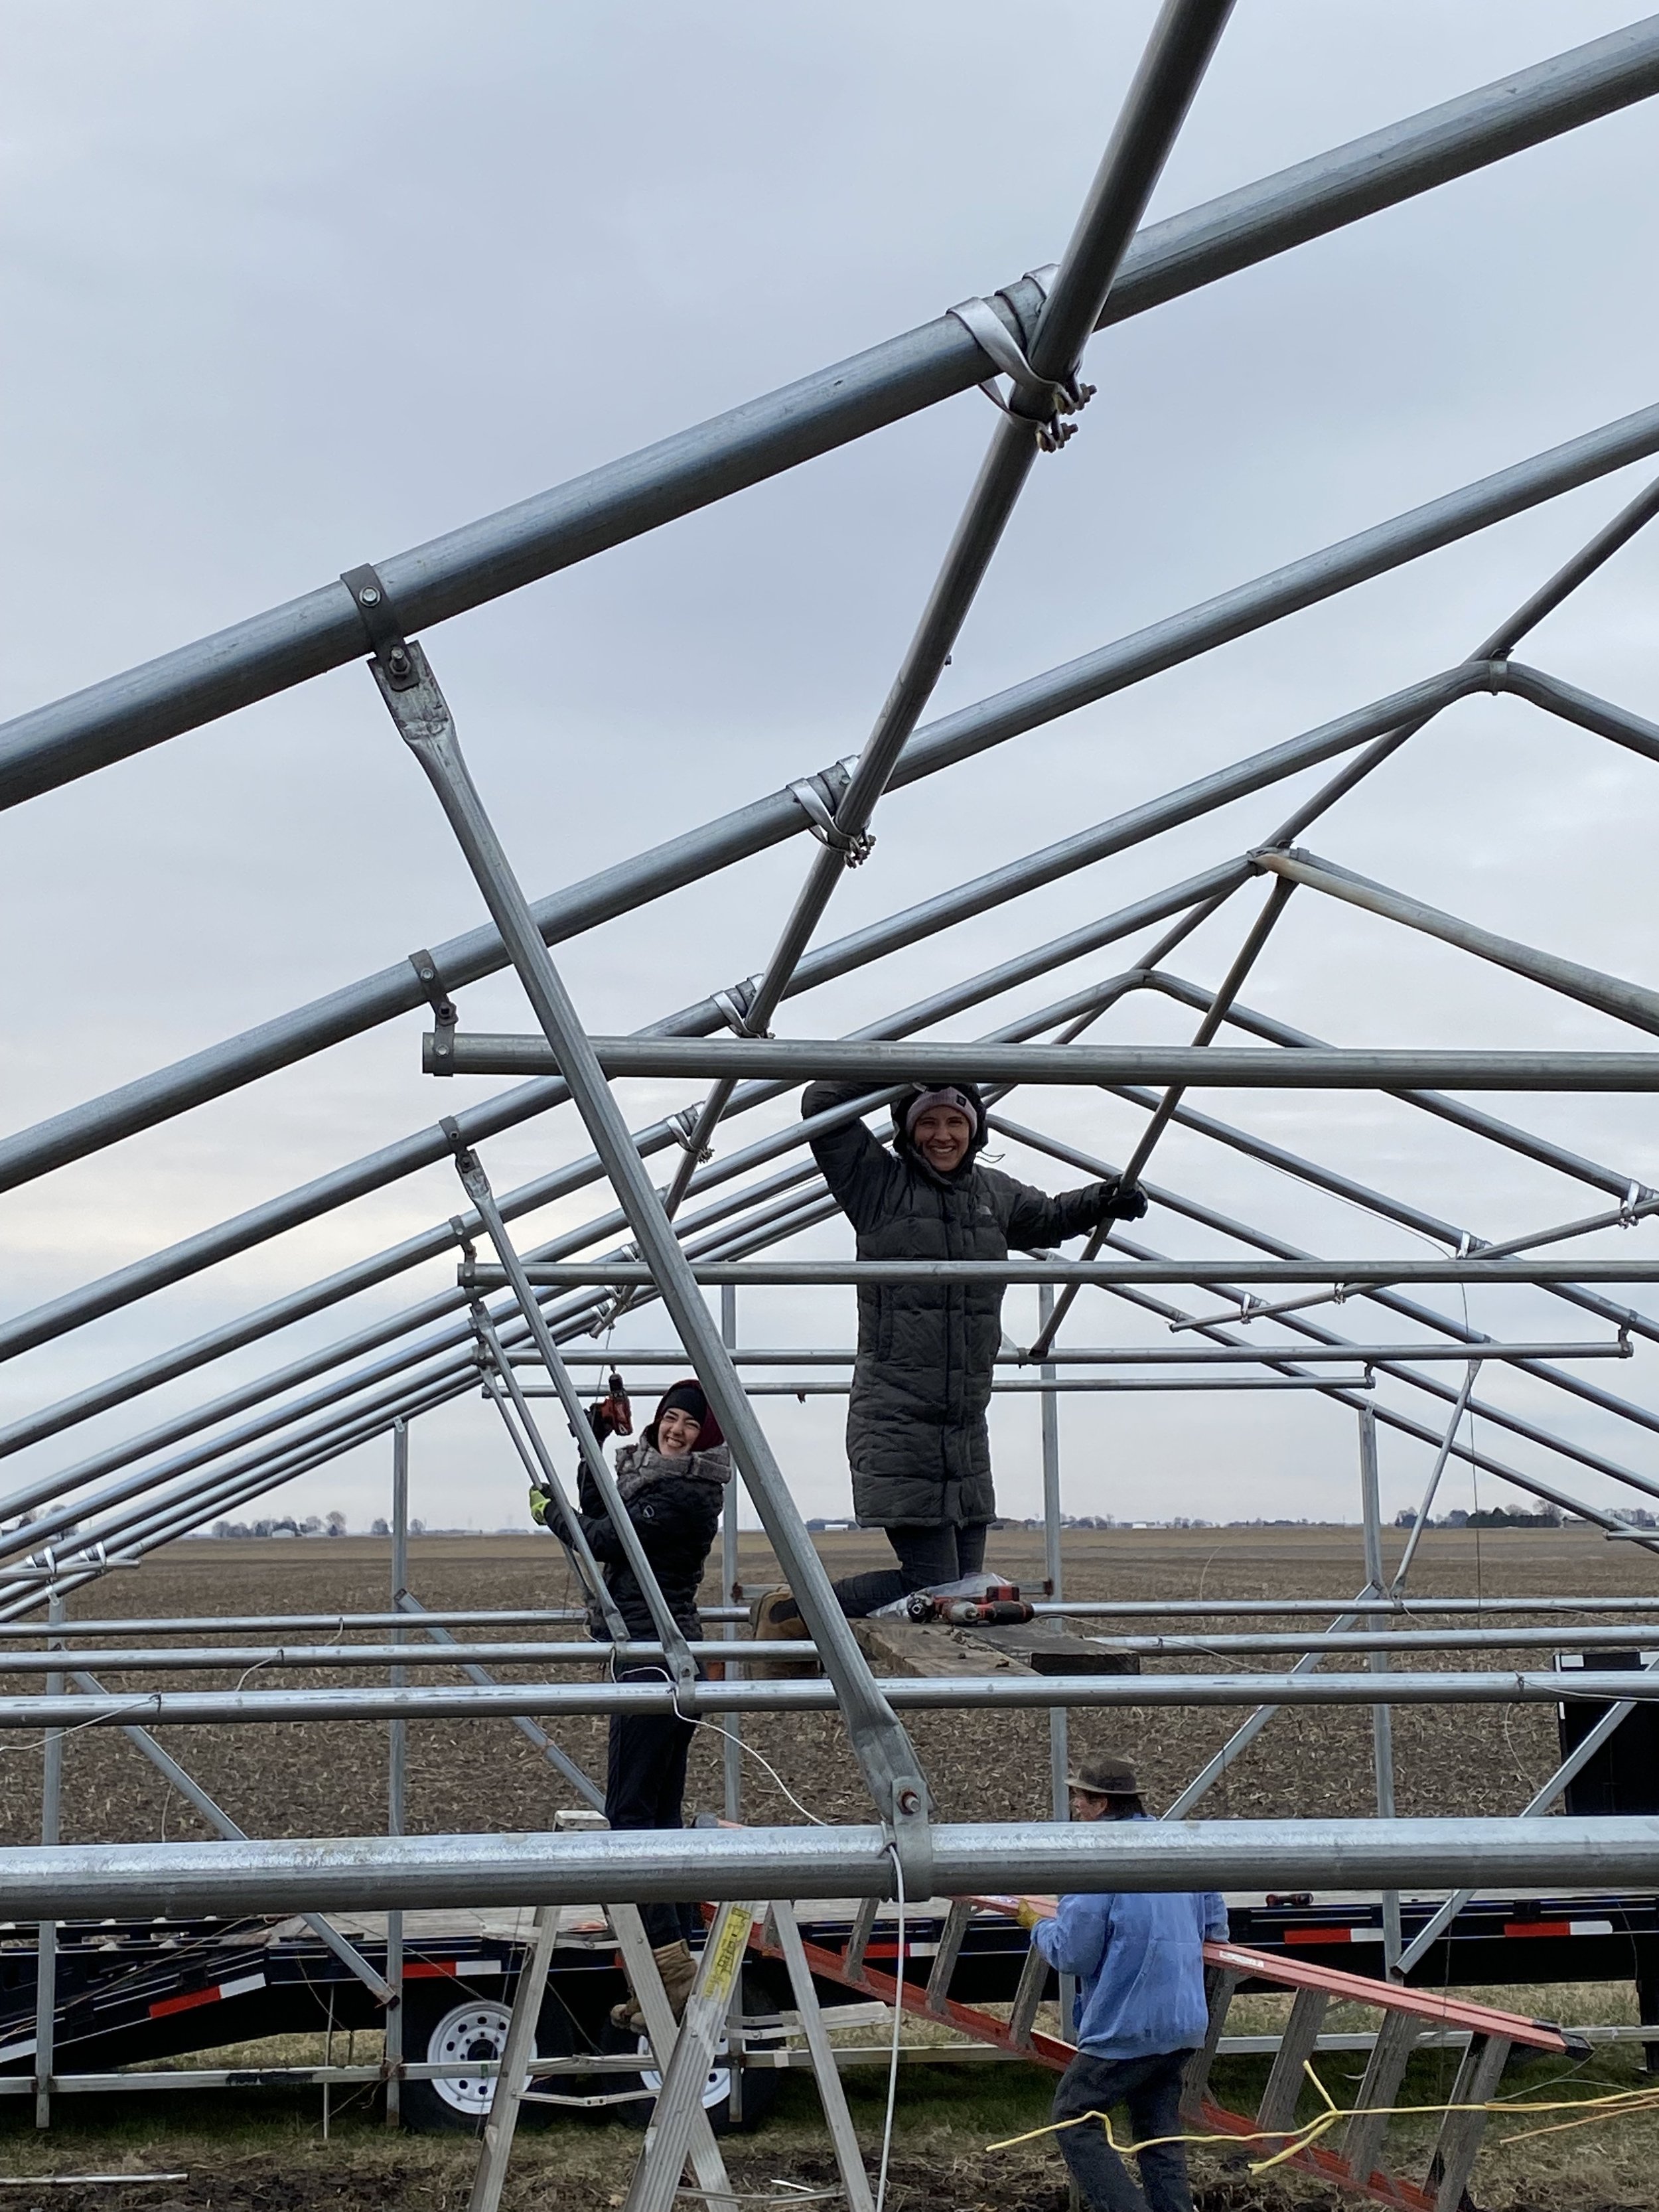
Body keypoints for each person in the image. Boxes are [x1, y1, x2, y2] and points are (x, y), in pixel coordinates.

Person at [753, 1079, 1146, 1631]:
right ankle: (792, 1613)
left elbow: (1053, 1216)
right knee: (930, 1581)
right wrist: (902, 1069)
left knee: (964, 1581)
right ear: (908, 1129)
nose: (943, 1135)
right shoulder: (877, 1186)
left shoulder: (993, 1195)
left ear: (975, 1130)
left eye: (955, 1122)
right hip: (896, 1420)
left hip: (963, 1427)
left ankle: (820, 1624)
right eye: (929, 1122)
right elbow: (820, 1104)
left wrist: (1103, 1199)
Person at [530, 1378, 729, 2029]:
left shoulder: (690, 1493)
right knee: (656, 1816)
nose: (675, 1430)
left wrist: (551, 1515)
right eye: (669, 1418)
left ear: (706, 1438)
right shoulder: (651, 1479)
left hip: (657, 1657)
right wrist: (592, 1443)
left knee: (629, 1817)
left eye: (689, 1425)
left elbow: (608, 1540)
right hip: (656, 1655)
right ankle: (674, 1973)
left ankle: (667, 1972)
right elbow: (604, 1510)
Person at [1019, 1755, 1228, 2212]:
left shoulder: (1098, 1859)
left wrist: (1035, 1923)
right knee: (1159, 2136)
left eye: (1078, 1795)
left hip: (1126, 2026)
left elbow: (1074, 1953)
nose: (1074, 1803)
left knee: (1073, 2117)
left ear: (1100, 1803)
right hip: (1182, 2023)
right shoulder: (1178, 1846)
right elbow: (1216, 1927)